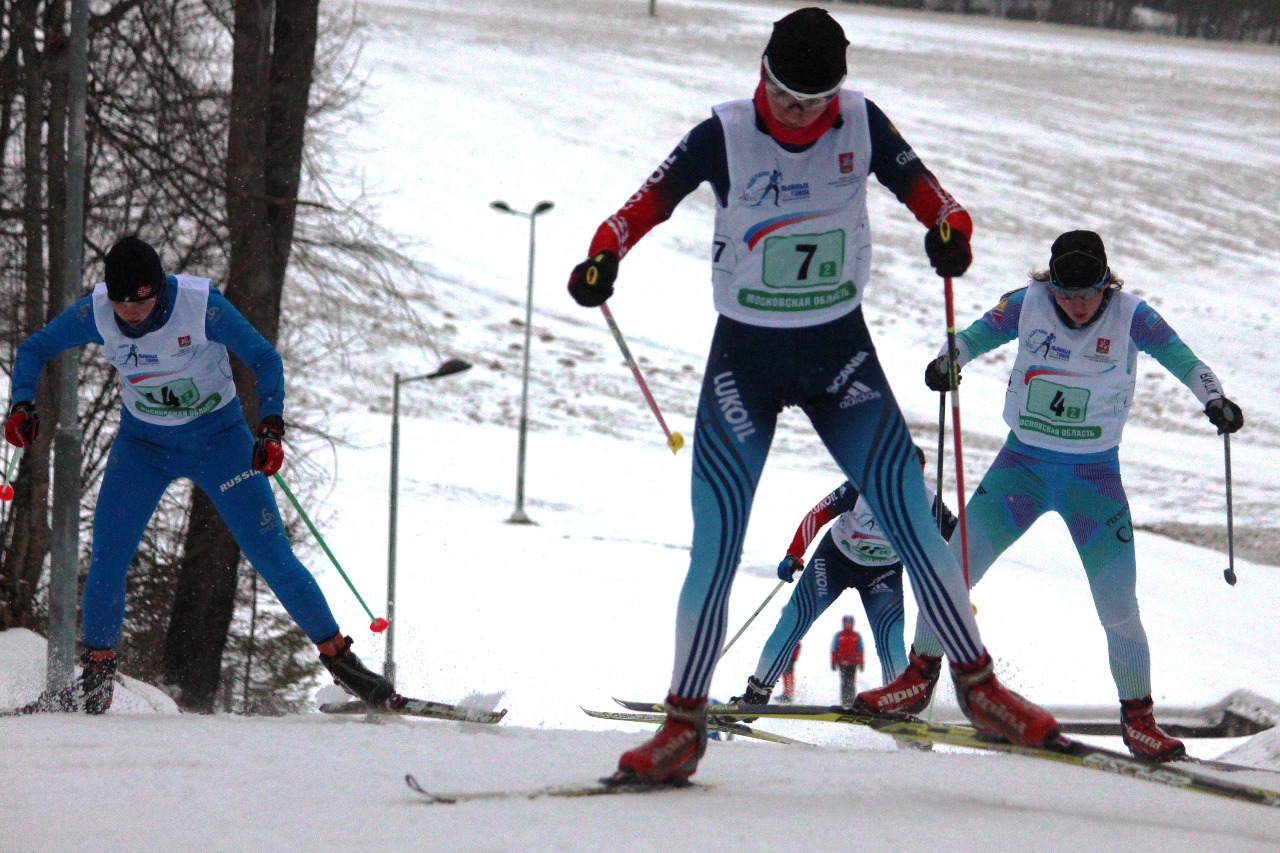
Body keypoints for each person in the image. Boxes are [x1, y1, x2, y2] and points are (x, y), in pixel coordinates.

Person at [567, 7, 1059, 785]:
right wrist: (604, 256)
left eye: (814, 103)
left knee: (910, 512)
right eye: (785, 97)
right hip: (747, 359)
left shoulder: (859, 121)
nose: (797, 115)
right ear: (761, 74)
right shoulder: (724, 133)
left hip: (839, 354)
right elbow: (642, 205)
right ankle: (683, 725)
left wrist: (949, 230)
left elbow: (933, 195)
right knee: (715, 543)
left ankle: (979, 687)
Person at [860, 230, 1245, 762]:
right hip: (1021, 469)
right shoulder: (1028, 304)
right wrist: (949, 361)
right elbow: (970, 337)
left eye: (1088, 294)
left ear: (1107, 284)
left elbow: (1184, 359)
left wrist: (1215, 399)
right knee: (950, 571)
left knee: (1118, 607)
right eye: (1066, 294)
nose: (1077, 306)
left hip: (1094, 481)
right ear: (1051, 284)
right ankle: (918, 678)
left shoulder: (1132, 315)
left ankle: (1139, 722)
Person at [7, 235, 400, 714]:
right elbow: (35, 349)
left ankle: (342, 662)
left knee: (271, 555)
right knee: (108, 556)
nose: (132, 315)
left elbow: (264, 358)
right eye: (122, 305)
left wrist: (271, 426)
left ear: (159, 290)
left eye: (142, 303)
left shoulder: (201, 306)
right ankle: (96, 680)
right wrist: (22, 402)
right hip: (143, 448)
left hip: (220, 442)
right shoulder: (97, 311)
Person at [730, 446, 957, 711]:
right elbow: (817, 515)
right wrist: (794, 553)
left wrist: (957, 575)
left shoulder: (929, 502)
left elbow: (961, 537)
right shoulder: (860, 488)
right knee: (795, 619)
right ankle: (756, 694)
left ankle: (898, 705)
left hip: (883, 574)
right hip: (833, 562)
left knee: (891, 637)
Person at [831, 615, 865, 706]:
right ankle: (844, 702)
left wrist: (861, 662)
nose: (848, 625)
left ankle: (851, 701)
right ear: (843, 623)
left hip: (853, 663)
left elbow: (860, 650)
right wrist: (833, 662)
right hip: (842, 663)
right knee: (844, 682)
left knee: (851, 682)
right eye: (846, 623)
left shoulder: (856, 636)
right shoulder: (839, 635)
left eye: (850, 623)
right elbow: (834, 649)